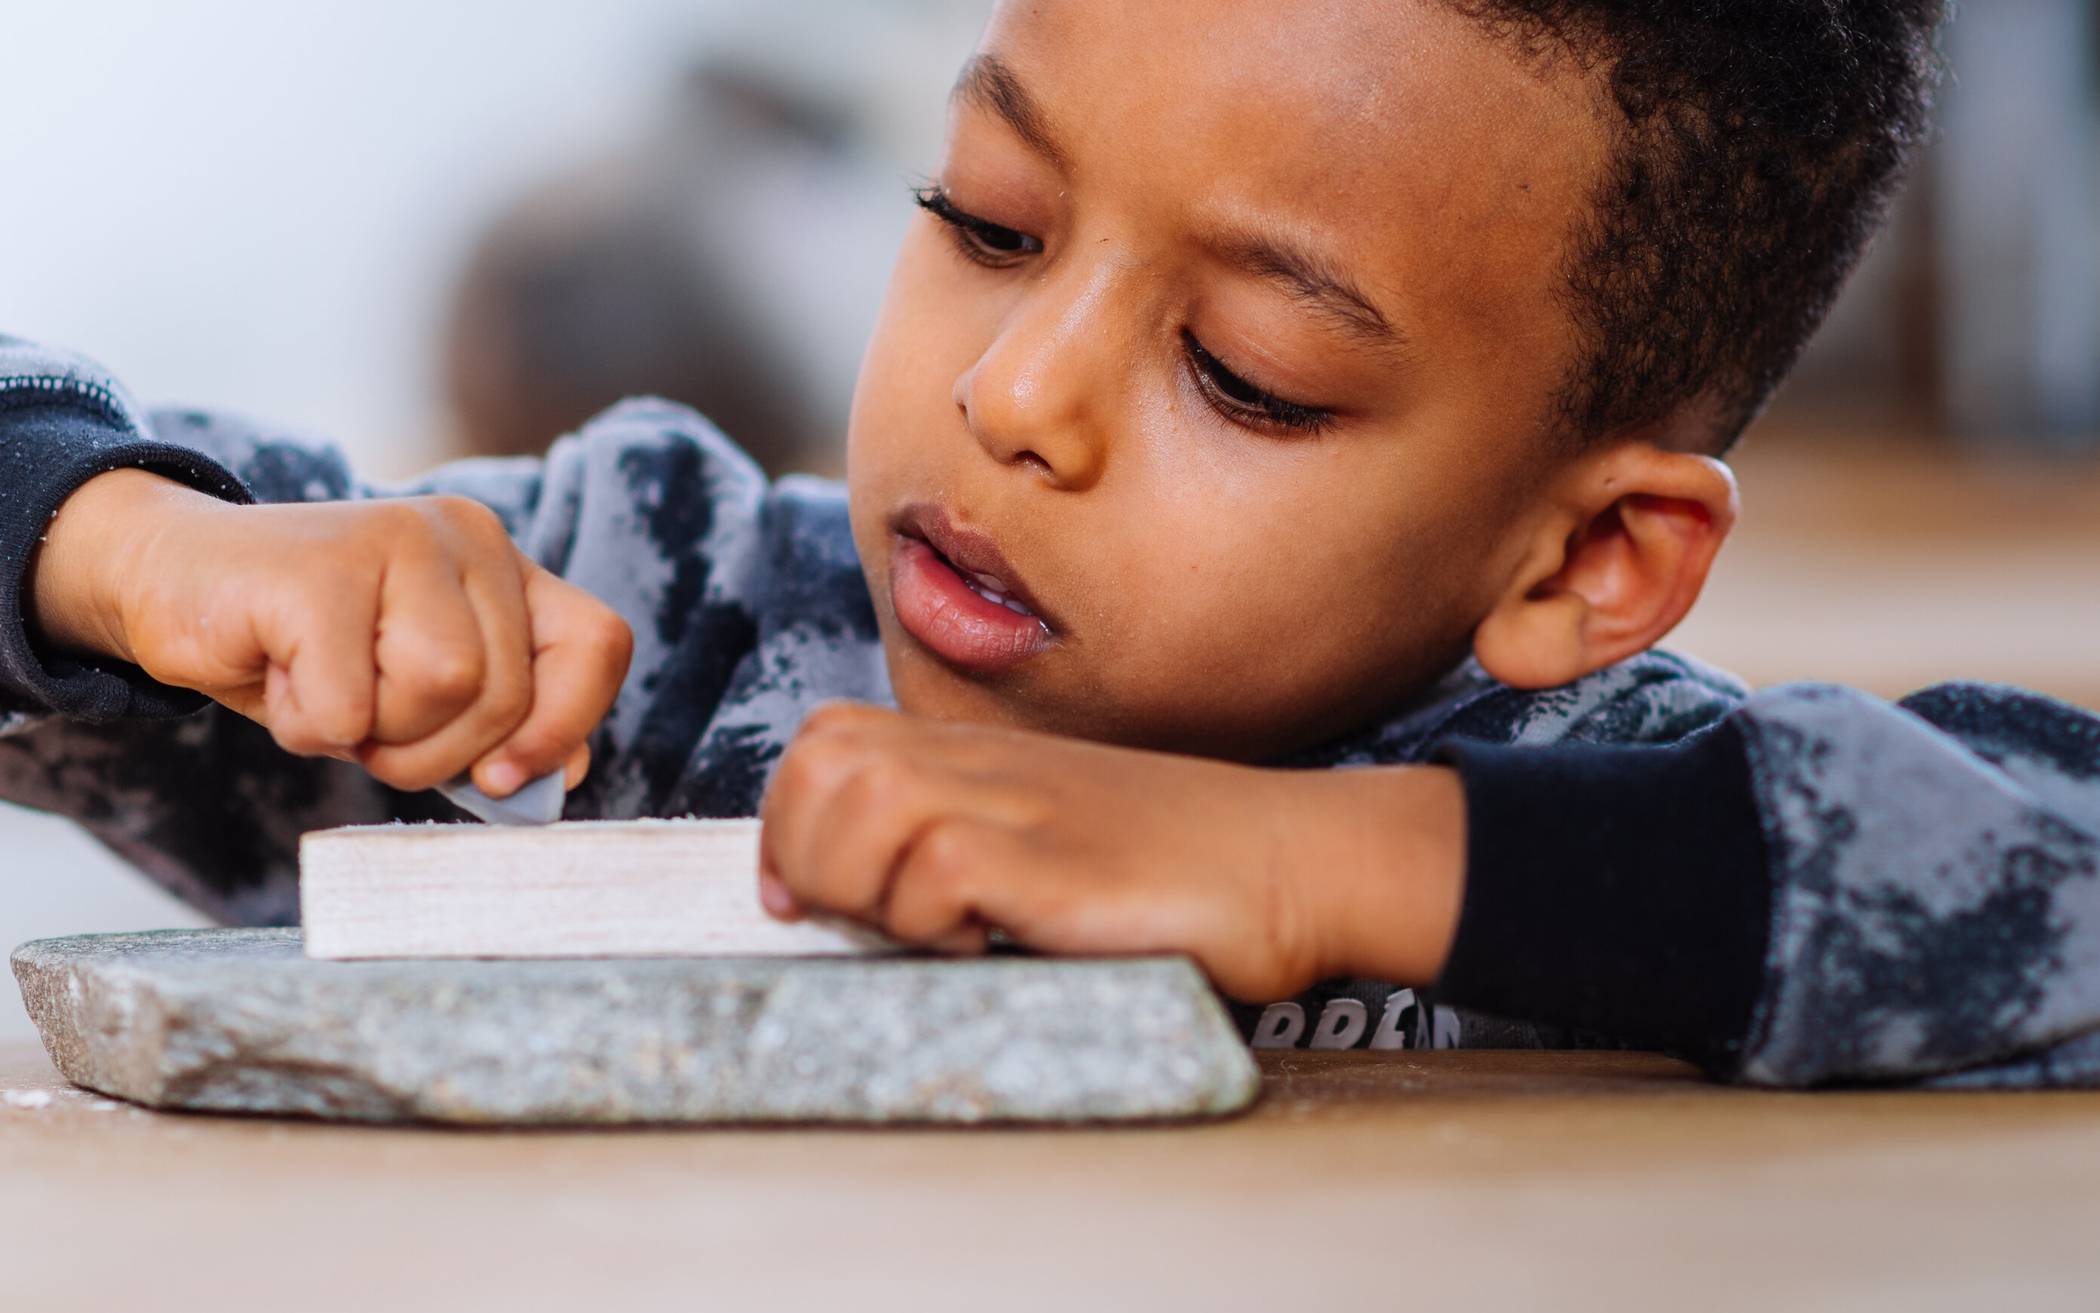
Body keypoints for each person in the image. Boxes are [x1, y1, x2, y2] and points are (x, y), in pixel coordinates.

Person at [10, 0, 2090, 1088]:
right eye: (991, 222)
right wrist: (117, 547)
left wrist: (1333, 870)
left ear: (1582, 567)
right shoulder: (633, 622)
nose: (1017, 394)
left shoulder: (1631, 817)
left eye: (1250, 372)